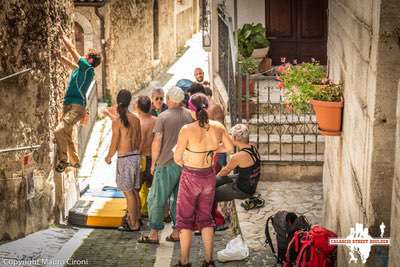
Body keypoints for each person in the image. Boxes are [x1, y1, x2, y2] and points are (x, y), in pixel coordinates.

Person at [173, 93, 234, 267]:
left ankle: (184, 261)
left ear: (192, 110)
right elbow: (229, 147)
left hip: (190, 176)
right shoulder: (218, 126)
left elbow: (177, 157)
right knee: (206, 218)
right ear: (206, 107)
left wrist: (186, 157)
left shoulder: (186, 129)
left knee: (185, 220)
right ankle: (209, 261)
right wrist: (214, 149)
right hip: (208, 176)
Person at [138, 86, 192, 244]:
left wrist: (153, 164)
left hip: (166, 163)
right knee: (179, 199)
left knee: (156, 198)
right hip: (184, 163)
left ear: (169, 99)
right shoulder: (189, 115)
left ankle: (154, 234)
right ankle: (176, 232)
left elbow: (157, 142)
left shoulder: (163, 117)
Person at [54, 26, 101, 173]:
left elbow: (73, 51)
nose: (84, 56)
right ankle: (75, 162)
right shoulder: (82, 70)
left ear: (90, 60)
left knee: (59, 130)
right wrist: (59, 57)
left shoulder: (87, 67)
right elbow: (71, 65)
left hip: (76, 106)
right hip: (69, 104)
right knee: (66, 134)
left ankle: (63, 161)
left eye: (86, 56)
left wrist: (62, 35)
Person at [105, 89, 142, 231]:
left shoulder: (118, 121)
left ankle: (133, 224)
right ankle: (135, 218)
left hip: (125, 158)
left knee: (128, 193)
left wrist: (108, 157)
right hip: (135, 157)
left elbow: (114, 142)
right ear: (129, 101)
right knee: (133, 191)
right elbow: (139, 139)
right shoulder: (136, 119)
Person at [215, 124, 261, 202]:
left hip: (243, 190)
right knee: (219, 180)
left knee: (210, 194)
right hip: (249, 183)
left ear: (235, 138)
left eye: (231, 135)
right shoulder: (253, 146)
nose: (229, 137)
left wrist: (213, 181)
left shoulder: (238, 156)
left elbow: (225, 171)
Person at [136, 96, 157, 217]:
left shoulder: (139, 122)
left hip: (142, 158)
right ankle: (153, 212)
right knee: (154, 189)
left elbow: (141, 142)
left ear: (138, 107)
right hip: (154, 158)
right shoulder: (156, 120)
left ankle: (137, 214)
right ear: (150, 106)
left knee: (136, 189)